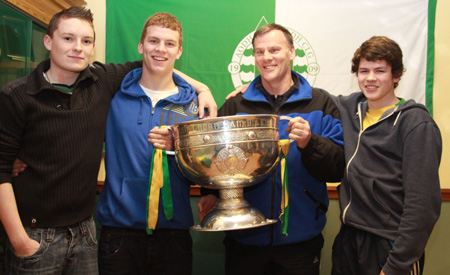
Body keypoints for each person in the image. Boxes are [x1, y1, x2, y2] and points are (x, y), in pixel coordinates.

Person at [0, 7, 216, 274]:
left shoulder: (189, 105)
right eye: (68, 38)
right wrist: (20, 240)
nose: (77, 48)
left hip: (108, 234)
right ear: (48, 41)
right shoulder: (101, 87)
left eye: (86, 41)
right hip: (68, 234)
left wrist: (202, 90)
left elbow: (160, 64)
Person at [206, 23, 345, 275]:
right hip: (243, 239)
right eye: (259, 52)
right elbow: (214, 162)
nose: (266, 58)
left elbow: (337, 169)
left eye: (274, 50)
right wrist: (209, 193)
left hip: (301, 242)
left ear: (292, 52)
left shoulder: (322, 103)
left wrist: (309, 143)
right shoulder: (235, 105)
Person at [96, 12, 200, 275]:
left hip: (173, 235)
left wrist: (178, 148)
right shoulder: (112, 95)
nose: (160, 49)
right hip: (119, 234)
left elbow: (205, 169)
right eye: (154, 41)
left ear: (179, 52)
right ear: (141, 46)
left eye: (169, 44)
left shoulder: (194, 107)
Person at [331, 36, 442, 275]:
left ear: (396, 75)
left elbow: (423, 206)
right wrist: (257, 85)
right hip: (349, 239)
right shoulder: (348, 108)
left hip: (389, 244)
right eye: (364, 71)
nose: (370, 78)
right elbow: (308, 95)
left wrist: (396, 266)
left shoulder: (415, 123)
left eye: (380, 70)